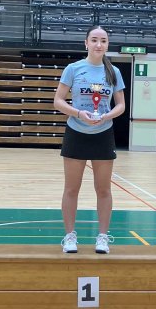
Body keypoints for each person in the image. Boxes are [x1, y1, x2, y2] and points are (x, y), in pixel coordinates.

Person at [53, 26, 125, 254]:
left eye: (103, 40)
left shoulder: (113, 71)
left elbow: (121, 105)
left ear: (107, 44)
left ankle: (102, 237)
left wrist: (106, 116)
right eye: (94, 40)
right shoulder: (73, 69)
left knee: (103, 190)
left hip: (103, 134)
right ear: (86, 43)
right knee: (71, 189)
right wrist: (78, 113)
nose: (98, 44)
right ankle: (69, 236)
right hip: (76, 133)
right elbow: (58, 101)